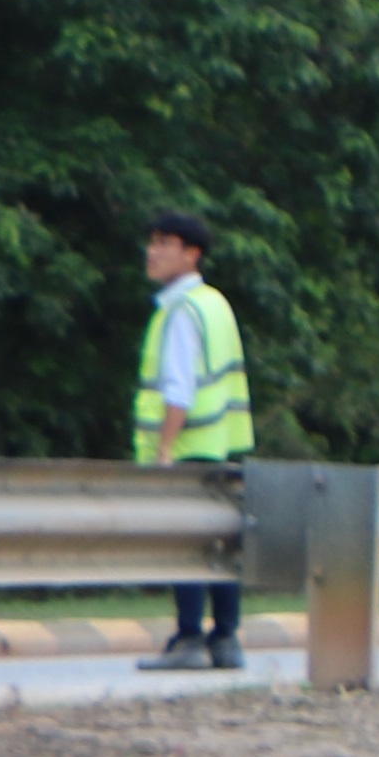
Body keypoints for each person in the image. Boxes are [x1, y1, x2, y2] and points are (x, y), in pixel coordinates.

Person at [127, 209, 250, 672]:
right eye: (152, 242)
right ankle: (225, 639)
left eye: (164, 243)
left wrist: (163, 450)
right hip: (220, 445)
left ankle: (188, 638)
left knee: (188, 547)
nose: (152, 252)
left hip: (186, 447)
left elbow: (179, 389)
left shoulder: (181, 311)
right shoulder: (214, 304)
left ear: (191, 253)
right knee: (220, 545)